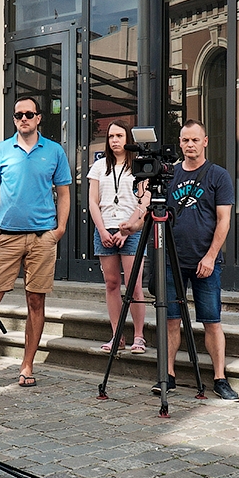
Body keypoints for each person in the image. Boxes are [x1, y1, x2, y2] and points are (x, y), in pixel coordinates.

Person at [0, 96, 71, 388]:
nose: (23, 119)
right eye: (18, 115)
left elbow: (64, 193)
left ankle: (27, 365)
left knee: (35, 301)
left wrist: (60, 230)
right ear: (14, 119)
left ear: (39, 118)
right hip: (6, 237)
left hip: (42, 238)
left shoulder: (54, 151)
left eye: (29, 114)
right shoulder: (2, 150)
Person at [155, 119, 239, 402]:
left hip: (206, 260)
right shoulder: (169, 176)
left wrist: (211, 257)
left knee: (212, 321)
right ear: (180, 143)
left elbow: (223, 220)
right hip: (171, 260)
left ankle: (219, 378)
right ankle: (168, 376)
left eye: (195, 140)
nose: (189, 145)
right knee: (170, 321)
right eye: (185, 140)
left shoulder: (218, 175)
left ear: (205, 141)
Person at [88, 121, 147, 354]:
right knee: (111, 284)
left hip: (130, 231)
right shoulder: (99, 166)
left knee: (134, 286)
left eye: (119, 135)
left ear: (128, 138)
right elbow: (93, 201)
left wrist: (128, 229)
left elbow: (144, 202)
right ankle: (117, 334)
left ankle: (139, 337)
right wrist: (103, 230)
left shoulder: (139, 166)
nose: (115, 140)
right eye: (111, 136)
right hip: (105, 230)